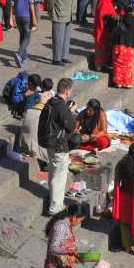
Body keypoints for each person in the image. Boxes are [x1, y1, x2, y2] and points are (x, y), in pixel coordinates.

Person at [39, 77, 77, 214]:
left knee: (54, 173)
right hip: (59, 145)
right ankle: (55, 207)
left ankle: (56, 203)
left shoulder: (51, 102)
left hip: (49, 142)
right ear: (67, 91)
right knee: (59, 177)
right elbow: (71, 126)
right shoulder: (62, 107)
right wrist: (71, 112)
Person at [110, 5, 134, 88]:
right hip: (130, 45)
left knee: (118, 64)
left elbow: (110, 20)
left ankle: (118, 82)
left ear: (124, 11)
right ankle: (127, 83)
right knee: (128, 64)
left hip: (119, 44)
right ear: (133, 12)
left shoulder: (120, 18)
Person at [48, 0, 77, 65]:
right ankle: (56, 59)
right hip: (59, 13)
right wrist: (51, 11)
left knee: (66, 38)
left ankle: (64, 56)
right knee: (58, 38)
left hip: (68, 14)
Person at [19, 79, 53, 162]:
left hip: (26, 143)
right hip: (36, 146)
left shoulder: (34, 100)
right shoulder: (51, 100)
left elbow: (26, 112)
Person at [12, 0, 38, 67]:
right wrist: (34, 17)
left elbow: (12, 3)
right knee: (27, 37)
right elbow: (31, 4)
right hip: (27, 15)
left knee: (22, 35)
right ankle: (19, 54)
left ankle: (24, 56)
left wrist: (12, 16)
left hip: (18, 15)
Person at [93, 0, 117, 71]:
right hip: (102, 29)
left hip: (103, 28)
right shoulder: (105, 2)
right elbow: (102, 16)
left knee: (102, 47)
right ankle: (99, 65)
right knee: (100, 48)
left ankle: (101, 64)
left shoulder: (103, 0)